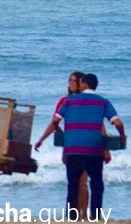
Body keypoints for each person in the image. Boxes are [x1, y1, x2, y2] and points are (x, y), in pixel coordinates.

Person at [57, 72, 125, 220]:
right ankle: (95, 216)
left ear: (85, 84)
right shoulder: (103, 101)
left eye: (80, 82)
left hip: (73, 149)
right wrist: (122, 135)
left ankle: (72, 216)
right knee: (97, 184)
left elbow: (56, 119)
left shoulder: (70, 101)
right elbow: (117, 123)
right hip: (94, 150)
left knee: (73, 185)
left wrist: (62, 134)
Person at [34, 71, 91, 214]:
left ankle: (83, 214)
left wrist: (105, 148)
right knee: (73, 182)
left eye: (74, 81)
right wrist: (41, 139)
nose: (70, 83)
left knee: (83, 182)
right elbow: (54, 122)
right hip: (70, 147)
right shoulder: (64, 101)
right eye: (69, 80)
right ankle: (74, 214)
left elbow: (98, 124)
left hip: (86, 146)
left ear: (81, 84)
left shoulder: (87, 101)